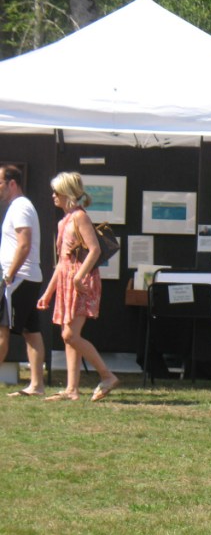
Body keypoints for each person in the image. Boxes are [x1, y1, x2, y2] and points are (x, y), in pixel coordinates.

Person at [36, 172, 119, 402]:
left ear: (67, 193)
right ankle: (72, 389)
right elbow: (62, 262)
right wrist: (48, 292)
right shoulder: (64, 220)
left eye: (57, 192)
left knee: (70, 334)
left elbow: (95, 250)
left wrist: (78, 278)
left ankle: (107, 375)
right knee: (69, 337)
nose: (53, 195)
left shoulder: (80, 216)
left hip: (81, 281)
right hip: (67, 280)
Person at [0, 165, 46, 398]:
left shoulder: (20, 207)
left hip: (18, 278)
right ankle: (37, 385)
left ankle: (37, 385)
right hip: (26, 277)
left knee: (2, 330)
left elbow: (24, 244)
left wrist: (9, 276)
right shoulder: (19, 207)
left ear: (12, 183)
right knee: (31, 331)